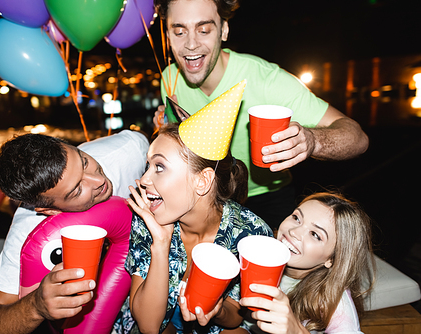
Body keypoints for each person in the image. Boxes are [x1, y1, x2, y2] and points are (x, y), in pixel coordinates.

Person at [152, 0, 369, 229]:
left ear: (224, 30)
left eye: (204, 30)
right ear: (167, 35)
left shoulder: (267, 81)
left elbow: (357, 138)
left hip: (268, 200)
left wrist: (313, 141)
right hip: (206, 197)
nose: (191, 44)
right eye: (179, 31)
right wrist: (168, 128)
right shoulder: (169, 78)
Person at [114, 88, 273, 334]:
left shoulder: (251, 234)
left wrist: (217, 311)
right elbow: (148, 326)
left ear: (202, 181)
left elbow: (235, 318)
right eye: (148, 165)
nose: (143, 179)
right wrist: (161, 242)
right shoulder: (148, 217)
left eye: (159, 167)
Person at [0, 130, 149, 334]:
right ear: (49, 211)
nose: (97, 180)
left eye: (84, 162)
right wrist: (35, 306)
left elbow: (148, 138)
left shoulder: (128, 150)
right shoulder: (30, 232)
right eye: (76, 190)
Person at [239, 192, 376, 334]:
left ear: (332, 260)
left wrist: (297, 331)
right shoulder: (257, 248)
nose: (294, 232)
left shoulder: (333, 301)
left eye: (315, 234)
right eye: (296, 218)